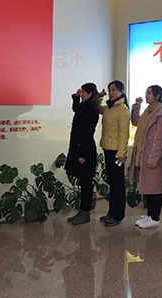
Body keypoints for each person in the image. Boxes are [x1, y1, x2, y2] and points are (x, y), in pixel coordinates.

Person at [130, 85, 162, 229]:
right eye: (146, 93)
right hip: (144, 154)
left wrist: (153, 159)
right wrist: (136, 107)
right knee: (148, 186)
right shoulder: (148, 111)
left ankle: (155, 217)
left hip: (153, 157)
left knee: (155, 188)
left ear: (157, 96)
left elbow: (160, 140)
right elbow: (136, 122)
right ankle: (149, 215)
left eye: (149, 93)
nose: (146, 95)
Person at [65, 83, 100, 225]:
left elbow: (87, 133)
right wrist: (76, 97)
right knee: (82, 180)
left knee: (86, 182)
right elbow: (76, 108)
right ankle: (82, 211)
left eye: (84, 92)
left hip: (85, 150)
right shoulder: (83, 107)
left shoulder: (92, 110)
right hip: (78, 148)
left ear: (90, 94)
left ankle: (85, 212)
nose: (82, 94)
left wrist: (83, 155)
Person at [98, 80, 130, 226]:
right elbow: (98, 108)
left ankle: (118, 215)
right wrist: (100, 96)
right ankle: (111, 212)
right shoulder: (109, 107)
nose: (111, 92)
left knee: (117, 184)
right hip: (107, 149)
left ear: (121, 92)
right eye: (109, 90)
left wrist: (121, 154)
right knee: (112, 182)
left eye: (114, 90)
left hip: (117, 152)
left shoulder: (122, 109)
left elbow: (124, 134)